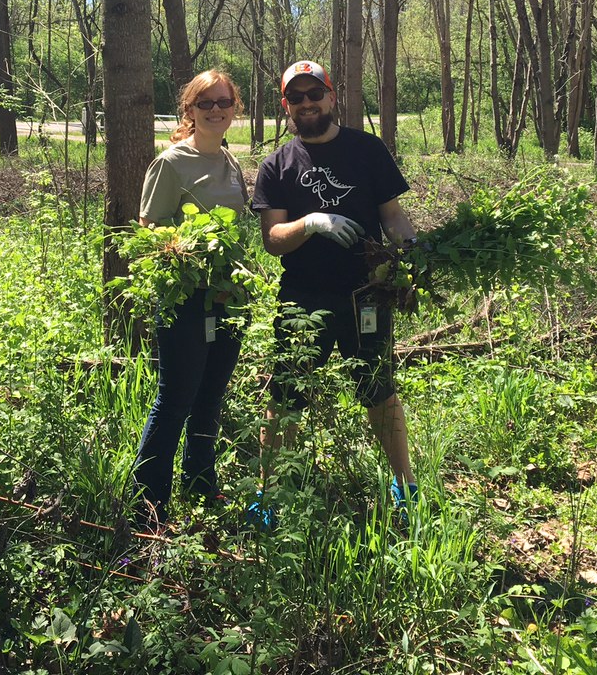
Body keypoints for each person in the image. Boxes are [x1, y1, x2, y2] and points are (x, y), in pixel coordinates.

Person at [251, 60, 418, 521]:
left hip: (367, 292)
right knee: (285, 395)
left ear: (332, 96)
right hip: (303, 297)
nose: (307, 104)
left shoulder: (368, 151)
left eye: (314, 94)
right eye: (296, 98)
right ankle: (269, 493)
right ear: (286, 106)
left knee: (378, 389)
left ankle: (405, 484)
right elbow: (272, 241)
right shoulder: (277, 165)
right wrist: (311, 223)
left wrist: (419, 253)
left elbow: (393, 219)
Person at [132, 69, 249, 529]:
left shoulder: (231, 162)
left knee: (211, 399)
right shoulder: (171, 163)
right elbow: (149, 229)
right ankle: (149, 506)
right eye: (206, 104)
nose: (216, 110)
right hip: (185, 298)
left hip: (230, 298)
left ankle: (201, 489)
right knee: (176, 398)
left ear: (234, 109)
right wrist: (190, 249)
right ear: (190, 110)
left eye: (224, 102)